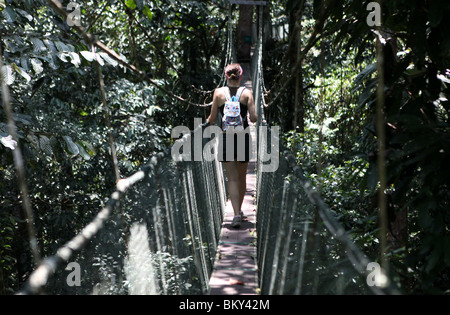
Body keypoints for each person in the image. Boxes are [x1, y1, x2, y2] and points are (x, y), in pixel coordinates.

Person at [205, 63, 258, 228]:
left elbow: (213, 119)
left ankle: (235, 214)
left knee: (232, 178)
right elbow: (254, 118)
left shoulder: (218, 93)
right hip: (243, 138)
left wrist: (205, 123)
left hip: (226, 138)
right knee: (241, 178)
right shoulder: (247, 93)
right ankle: (239, 211)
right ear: (241, 76)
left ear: (226, 76)